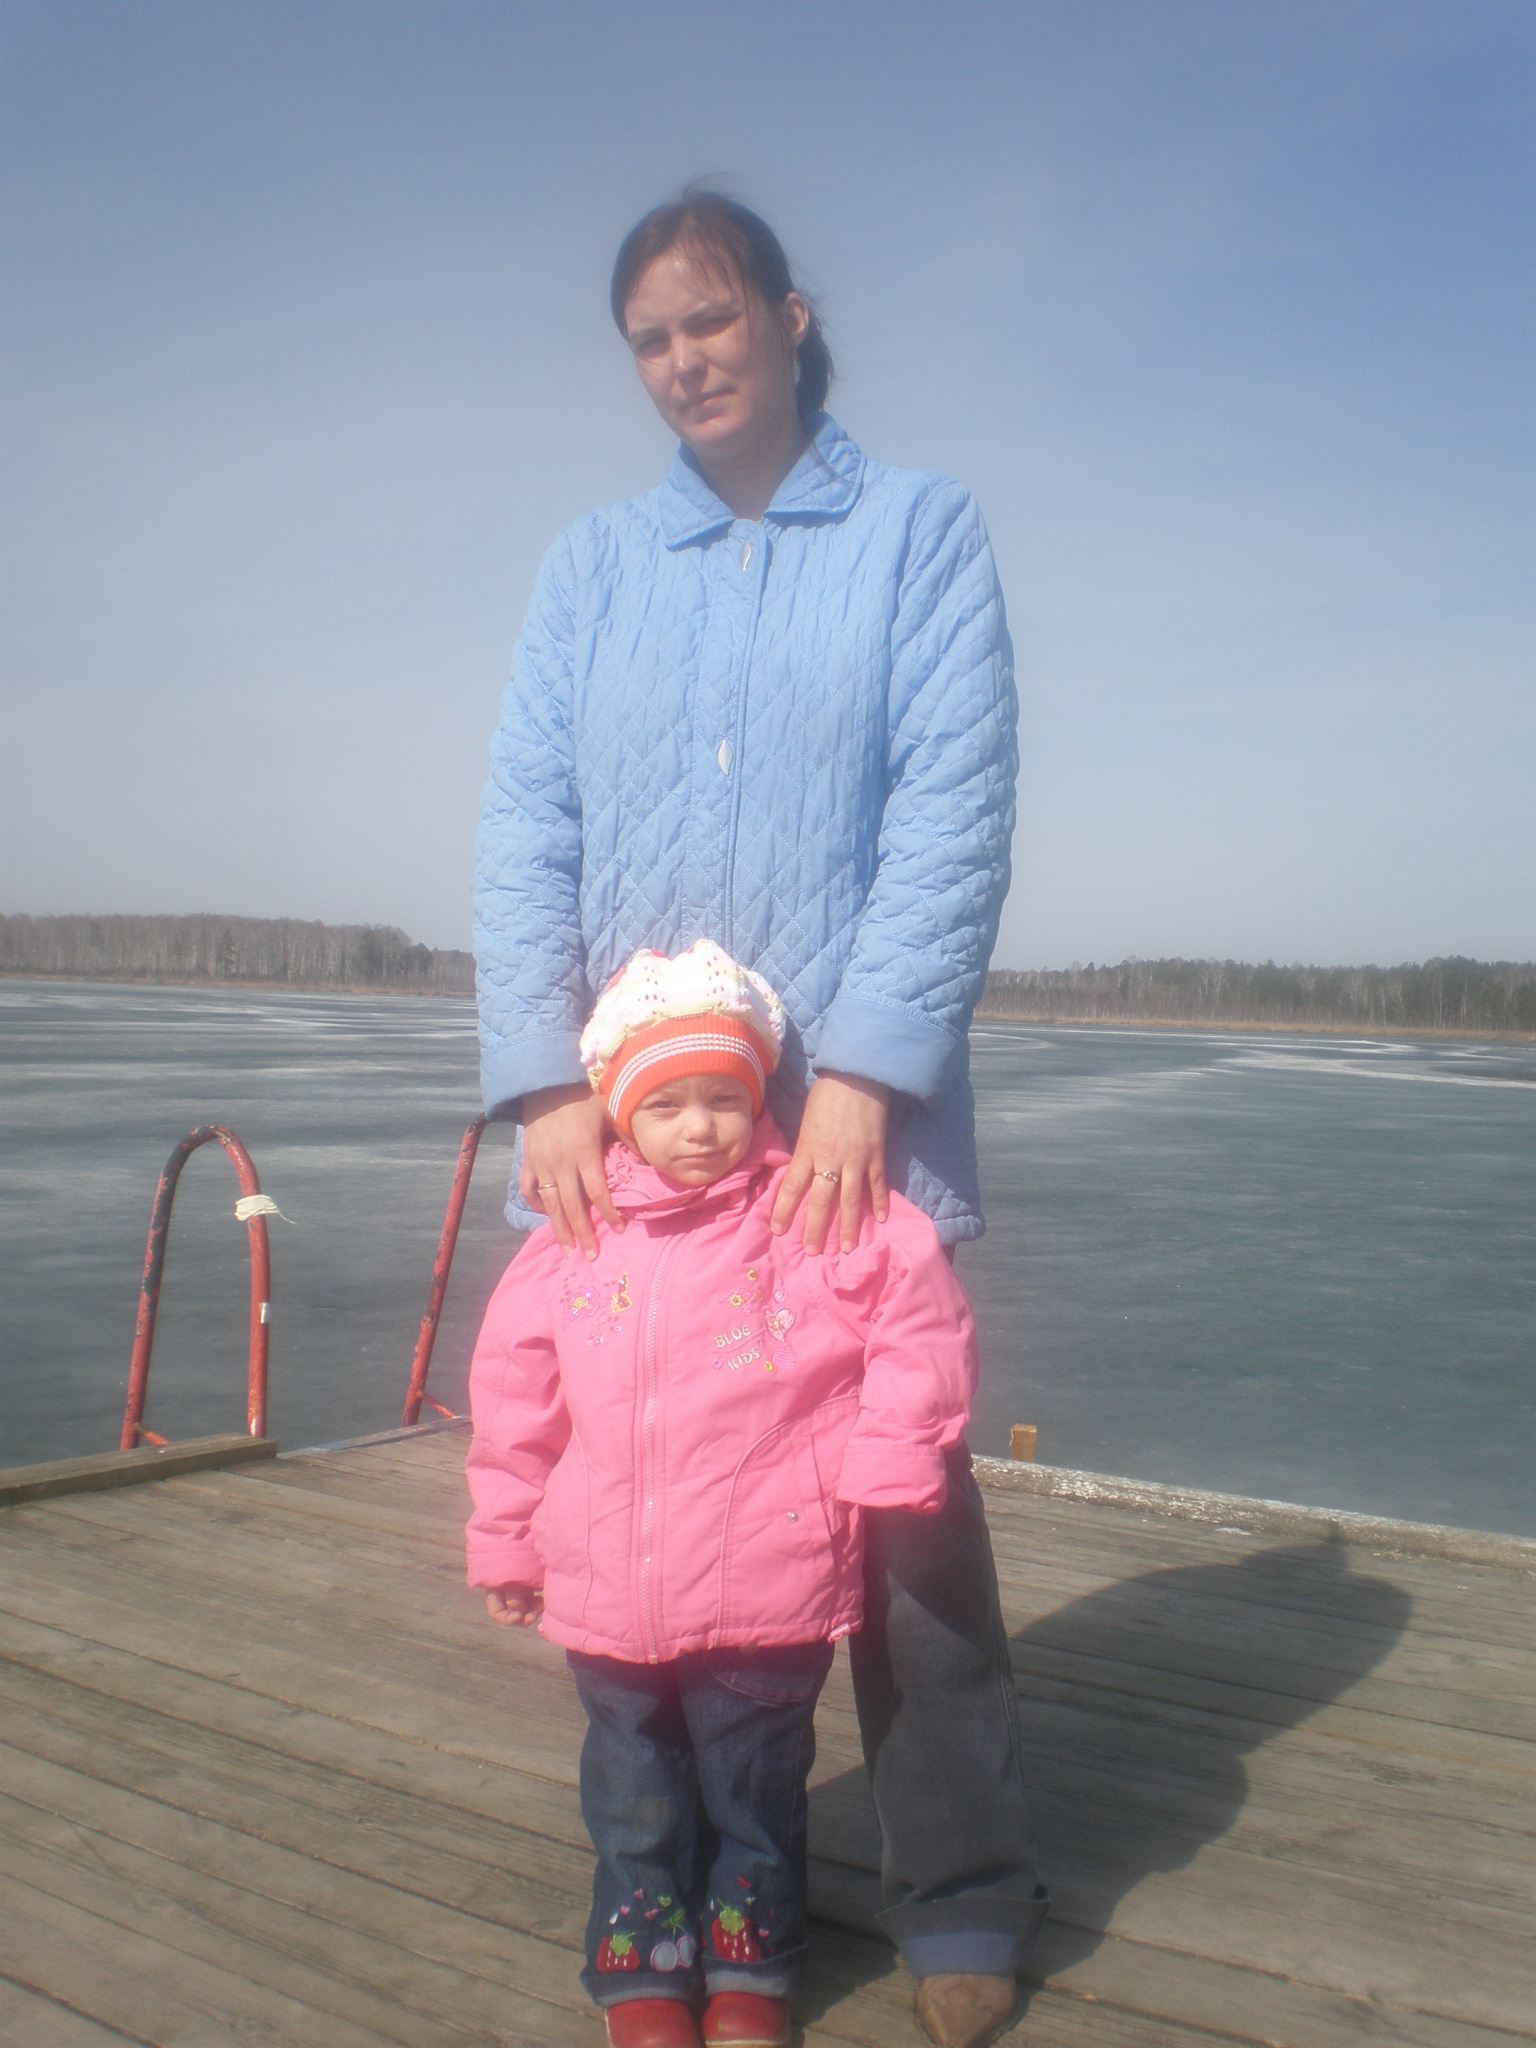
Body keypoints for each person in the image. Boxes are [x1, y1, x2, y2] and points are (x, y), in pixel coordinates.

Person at [474, 191, 1045, 2048]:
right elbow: (526, 826)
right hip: (639, 1141)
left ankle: (960, 1885)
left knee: (902, 1507)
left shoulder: (918, 533)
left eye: (710, 320)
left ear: (792, 319)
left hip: (844, 1132)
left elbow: (954, 808)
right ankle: (684, 1892)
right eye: (649, 338)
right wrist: (544, 1077)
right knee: (656, 1507)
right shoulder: (589, 569)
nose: (682, 360)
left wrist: (868, 1074)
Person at [468, 942, 980, 2048]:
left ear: (759, 1100)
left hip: (768, 1586)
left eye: (724, 1099)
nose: (698, 1128)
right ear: (618, 1112)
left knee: (755, 1790)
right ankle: (644, 1963)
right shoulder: (576, 1237)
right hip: (608, 1592)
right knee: (634, 1794)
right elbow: (513, 1403)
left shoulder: (808, 1215)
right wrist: (505, 1537)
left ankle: (753, 1962)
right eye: (666, 1104)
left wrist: (895, 1456)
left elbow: (919, 1308)